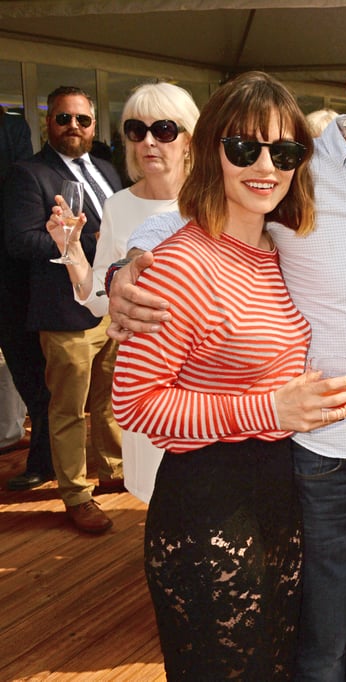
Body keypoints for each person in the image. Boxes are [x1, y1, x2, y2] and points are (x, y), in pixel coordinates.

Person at [107, 23, 346, 680]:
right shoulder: (304, 165)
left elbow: (232, 221)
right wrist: (127, 265)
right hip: (308, 467)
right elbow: (178, 224)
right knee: (310, 650)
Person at [110, 70, 342, 679]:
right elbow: (134, 404)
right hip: (207, 510)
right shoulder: (181, 262)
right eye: (245, 147)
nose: (266, 165)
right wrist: (270, 410)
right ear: (210, 149)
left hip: (276, 498)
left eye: (285, 150)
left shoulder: (277, 248)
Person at [44, 82, 197, 503]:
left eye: (164, 129)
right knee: (156, 497)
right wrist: (70, 249)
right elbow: (97, 297)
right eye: (135, 129)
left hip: (205, 375)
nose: (148, 141)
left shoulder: (214, 202)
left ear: (188, 139)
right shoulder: (119, 205)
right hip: (147, 371)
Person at [4, 86, 123, 532]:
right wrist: (70, 242)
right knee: (68, 410)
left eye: (83, 120)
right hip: (64, 312)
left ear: (94, 127)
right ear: (47, 123)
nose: (74, 126)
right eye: (63, 118)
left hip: (111, 305)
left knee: (109, 400)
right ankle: (76, 494)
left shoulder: (109, 171)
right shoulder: (29, 173)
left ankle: (113, 471)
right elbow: (18, 240)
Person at [0, 105, 44, 474]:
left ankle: (42, 456)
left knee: (27, 368)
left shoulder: (10, 129)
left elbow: (18, 188)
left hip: (11, 273)